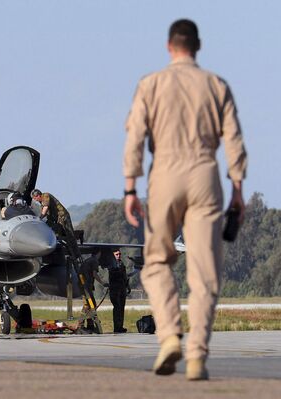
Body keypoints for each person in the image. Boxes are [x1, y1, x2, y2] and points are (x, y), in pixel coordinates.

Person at [123, 19, 247, 380]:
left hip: (164, 175)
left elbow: (134, 137)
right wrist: (237, 187)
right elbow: (234, 139)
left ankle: (169, 337)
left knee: (156, 262)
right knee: (205, 271)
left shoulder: (151, 84)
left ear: (169, 46)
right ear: (198, 46)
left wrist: (131, 186)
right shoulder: (215, 85)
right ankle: (197, 356)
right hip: (205, 175)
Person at [31, 189, 80, 259]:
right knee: (56, 232)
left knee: (69, 235)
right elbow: (46, 213)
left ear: (38, 195)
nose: (35, 200)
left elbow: (45, 208)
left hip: (63, 217)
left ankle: (76, 254)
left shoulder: (45, 196)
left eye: (35, 198)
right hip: (56, 219)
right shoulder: (42, 202)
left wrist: (39, 218)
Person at [108, 249, 130, 333]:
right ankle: (116, 327)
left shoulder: (122, 264)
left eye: (119, 254)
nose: (119, 256)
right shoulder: (112, 264)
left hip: (122, 288)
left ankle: (120, 326)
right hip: (114, 289)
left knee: (121, 308)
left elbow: (124, 276)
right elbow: (114, 274)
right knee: (117, 308)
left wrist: (127, 286)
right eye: (117, 254)